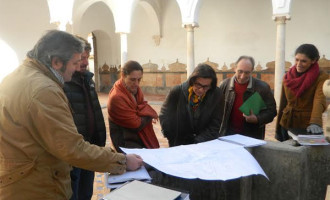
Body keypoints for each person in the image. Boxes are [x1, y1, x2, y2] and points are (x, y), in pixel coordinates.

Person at [0, 30, 143, 199]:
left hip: (21, 179)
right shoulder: (44, 90)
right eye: (75, 62)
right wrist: (123, 161)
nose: (77, 68)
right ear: (57, 62)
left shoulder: (19, 77)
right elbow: (71, 147)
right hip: (36, 186)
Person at [63, 36, 104, 200]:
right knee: (74, 193)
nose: (85, 62)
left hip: (89, 147)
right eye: (81, 58)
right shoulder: (63, 83)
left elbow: (93, 110)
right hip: (74, 152)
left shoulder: (87, 79)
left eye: (87, 57)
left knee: (86, 192)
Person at [159, 63, 221, 147]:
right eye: (198, 85)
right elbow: (165, 115)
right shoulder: (177, 91)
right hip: (179, 144)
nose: (201, 90)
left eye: (206, 86)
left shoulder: (217, 94)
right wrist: (170, 135)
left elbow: (215, 123)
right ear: (192, 81)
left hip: (204, 144)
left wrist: (197, 142)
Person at [275, 44, 328, 141]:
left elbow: (319, 100)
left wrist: (315, 122)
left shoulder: (321, 77)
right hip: (286, 122)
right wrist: (277, 129)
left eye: (303, 61)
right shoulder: (287, 77)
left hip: (306, 126)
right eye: (297, 59)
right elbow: (283, 102)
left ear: (313, 60)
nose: (299, 64)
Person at [218, 56, 277, 139]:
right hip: (227, 134)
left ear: (252, 71)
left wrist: (257, 119)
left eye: (247, 73)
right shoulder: (224, 85)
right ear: (234, 68)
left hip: (251, 136)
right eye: (240, 71)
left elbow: (272, 112)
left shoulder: (262, 88)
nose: (242, 76)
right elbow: (216, 110)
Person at [107, 60, 159, 153]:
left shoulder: (136, 90)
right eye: (132, 79)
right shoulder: (117, 97)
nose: (136, 84)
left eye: (139, 79)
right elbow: (136, 124)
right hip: (125, 144)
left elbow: (143, 109)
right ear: (123, 76)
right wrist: (148, 115)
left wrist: (144, 113)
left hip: (138, 140)